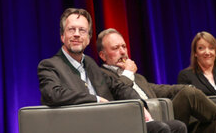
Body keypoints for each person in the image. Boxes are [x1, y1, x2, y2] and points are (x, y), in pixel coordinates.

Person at [38, 7, 184, 133]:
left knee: (178, 126)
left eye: (82, 30)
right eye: (71, 29)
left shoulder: (90, 63)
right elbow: (53, 94)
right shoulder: (49, 65)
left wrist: (140, 105)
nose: (77, 34)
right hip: (81, 126)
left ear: (88, 38)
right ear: (62, 36)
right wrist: (95, 100)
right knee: (159, 129)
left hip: (110, 122)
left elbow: (117, 87)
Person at [98, 28, 216, 132]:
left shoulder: (138, 76)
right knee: (188, 94)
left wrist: (186, 87)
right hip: (149, 122)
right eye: (115, 48)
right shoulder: (103, 75)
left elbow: (161, 89)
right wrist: (127, 73)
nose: (123, 52)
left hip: (170, 119)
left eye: (124, 46)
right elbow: (120, 95)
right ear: (103, 55)